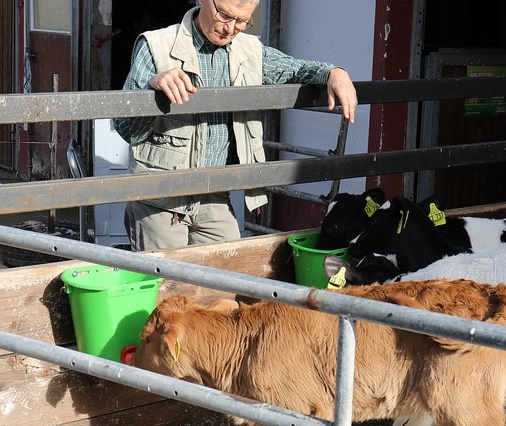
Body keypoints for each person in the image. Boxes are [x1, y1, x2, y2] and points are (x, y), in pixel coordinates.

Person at [113, 0, 357, 252]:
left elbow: (296, 69)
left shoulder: (250, 50)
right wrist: (151, 90)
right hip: (160, 199)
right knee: (164, 286)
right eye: (225, 16)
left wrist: (333, 72)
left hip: (216, 197)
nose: (230, 29)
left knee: (226, 282)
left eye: (242, 22)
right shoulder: (156, 45)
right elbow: (125, 129)